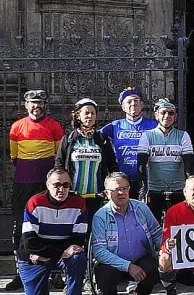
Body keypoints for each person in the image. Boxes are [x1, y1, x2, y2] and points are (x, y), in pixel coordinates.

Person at [7, 89, 65, 290]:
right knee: (21, 228)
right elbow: (14, 158)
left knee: (52, 226)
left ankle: (55, 272)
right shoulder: (16, 127)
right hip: (23, 184)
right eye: (32, 103)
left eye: (40, 102)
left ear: (45, 105)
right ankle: (21, 271)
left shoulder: (54, 126)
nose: (36, 106)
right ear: (26, 105)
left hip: (47, 185)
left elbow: (59, 158)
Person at [16, 169, 88, 295]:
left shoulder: (79, 203)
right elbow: (30, 243)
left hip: (51, 254)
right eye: (56, 185)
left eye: (66, 185)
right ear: (48, 185)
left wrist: (58, 254)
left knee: (78, 258)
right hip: (34, 256)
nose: (61, 189)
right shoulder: (35, 203)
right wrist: (61, 253)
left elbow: (78, 239)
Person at [91, 172, 163, 295]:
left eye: (125, 188)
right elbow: (99, 252)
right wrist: (128, 266)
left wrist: (165, 248)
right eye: (116, 190)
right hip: (114, 264)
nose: (121, 193)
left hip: (141, 259)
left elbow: (157, 234)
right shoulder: (100, 216)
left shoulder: (141, 208)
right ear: (107, 193)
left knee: (155, 266)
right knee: (104, 273)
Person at [55, 98, 118, 225]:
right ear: (78, 116)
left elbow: (112, 165)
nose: (90, 116)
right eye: (86, 113)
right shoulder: (68, 139)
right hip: (72, 195)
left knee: (93, 231)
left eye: (93, 113)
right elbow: (59, 165)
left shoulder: (102, 139)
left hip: (96, 196)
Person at [137, 98, 194, 219]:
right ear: (156, 115)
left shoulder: (183, 135)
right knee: (154, 225)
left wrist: (190, 187)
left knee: (180, 224)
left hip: (178, 189)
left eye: (171, 113)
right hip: (154, 189)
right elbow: (141, 165)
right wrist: (143, 188)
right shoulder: (147, 135)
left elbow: (189, 165)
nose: (167, 116)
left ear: (176, 116)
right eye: (163, 112)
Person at [100, 86, 157, 198]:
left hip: (148, 180)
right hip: (123, 181)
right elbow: (95, 137)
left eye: (136, 101)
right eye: (129, 101)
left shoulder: (153, 125)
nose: (133, 104)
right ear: (123, 106)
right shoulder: (114, 126)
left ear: (142, 104)